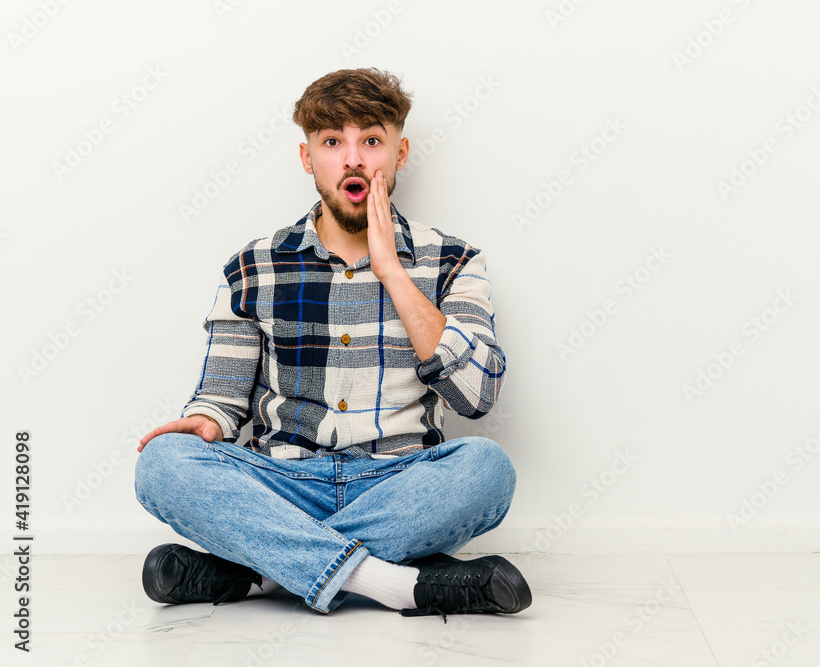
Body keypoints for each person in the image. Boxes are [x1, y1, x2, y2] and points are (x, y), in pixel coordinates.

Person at [133, 68, 530, 622]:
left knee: (487, 469)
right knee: (163, 462)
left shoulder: (455, 261)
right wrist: (206, 421)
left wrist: (392, 270)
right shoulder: (253, 265)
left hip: (396, 485)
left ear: (400, 152)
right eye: (331, 142)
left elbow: (475, 397)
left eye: (371, 140)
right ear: (307, 158)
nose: (353, 159)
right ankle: (397, 585)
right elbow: (221, 399)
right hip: (281, 483)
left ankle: (260, 574)